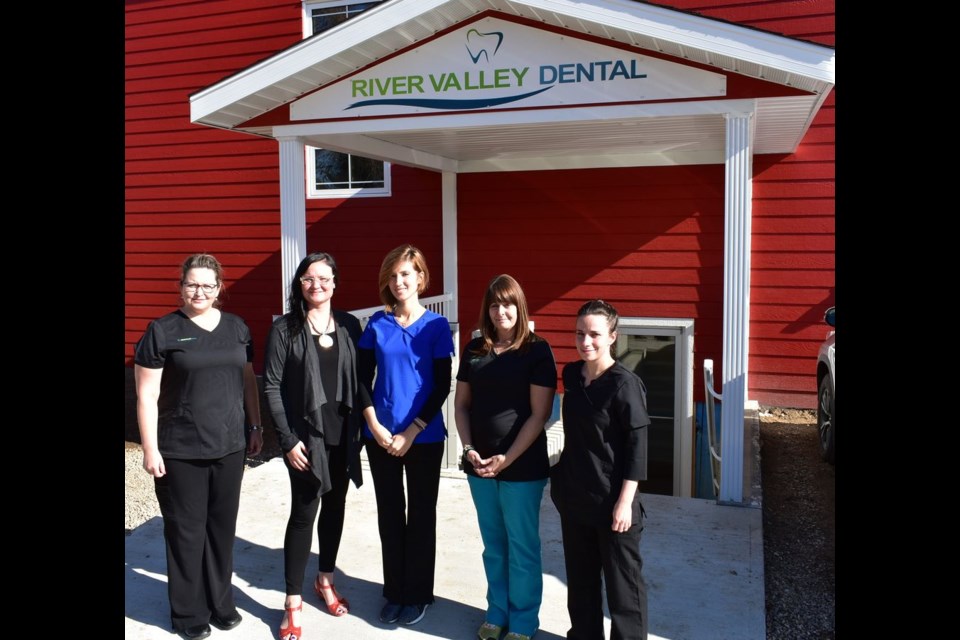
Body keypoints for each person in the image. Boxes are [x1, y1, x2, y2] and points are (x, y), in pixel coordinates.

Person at [134, 253, 263, 640]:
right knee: (187, 533)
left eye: (208, 284)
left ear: (219, 288)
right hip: (180, 450)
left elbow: (247, 381)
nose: (199, 291)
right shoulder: (162, 331)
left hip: (230, 447)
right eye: (192, 283)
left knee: (221, 530)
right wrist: (150, 448)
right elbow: (146, 395)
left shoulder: (237, 328)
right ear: (181, 286)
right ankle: (188, 613)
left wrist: (255, 425)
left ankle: (220, 603)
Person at [263, 252, 367, 640]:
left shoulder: (350, 325)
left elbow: (362, 380)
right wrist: (287, 440)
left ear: (335, 282)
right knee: (304, 514)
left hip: (344, 436)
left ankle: (325, 579)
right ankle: (292, 601)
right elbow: (271, 386)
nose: (316, 285)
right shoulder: (285, 329)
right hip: (305, 440)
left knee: (336, 507)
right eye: (308, 278)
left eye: (323, 278)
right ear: (299, 284)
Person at [454, 274, 557, 640]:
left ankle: (525, 621)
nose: (501, 311)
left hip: (522, 468)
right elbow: (462, 405)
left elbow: (539, 415)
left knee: (522, 547)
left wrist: (506, 459)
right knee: (493, 545)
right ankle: (496, 612)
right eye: (495, 304)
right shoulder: (475, 350)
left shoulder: (537, 350)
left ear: (520, 306)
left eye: (508, 303)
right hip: (478, 467)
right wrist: (468, 450)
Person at [358, 244, 455, 627]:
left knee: (420, 517)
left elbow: (442, 385)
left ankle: (417, 595)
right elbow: (362, 380)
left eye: (406, 274)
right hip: (380, 436)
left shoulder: (434, 327)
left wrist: (412, 431)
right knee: (389, 516)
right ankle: (394, 592)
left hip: (425, 438)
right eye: (393, 275)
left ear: (421, 278)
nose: (399, 281)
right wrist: (376, 425)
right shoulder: (376, 326)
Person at [550, 300, 651, 640]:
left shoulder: (625, 385)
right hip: (576, 497)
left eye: (594, 334)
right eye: (580, 333)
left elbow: (638, 448)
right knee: (581, 584)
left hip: (613, 504)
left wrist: (625, 502)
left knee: (625, 591)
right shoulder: (572, 376)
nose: (585, 341)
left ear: (612, 337)